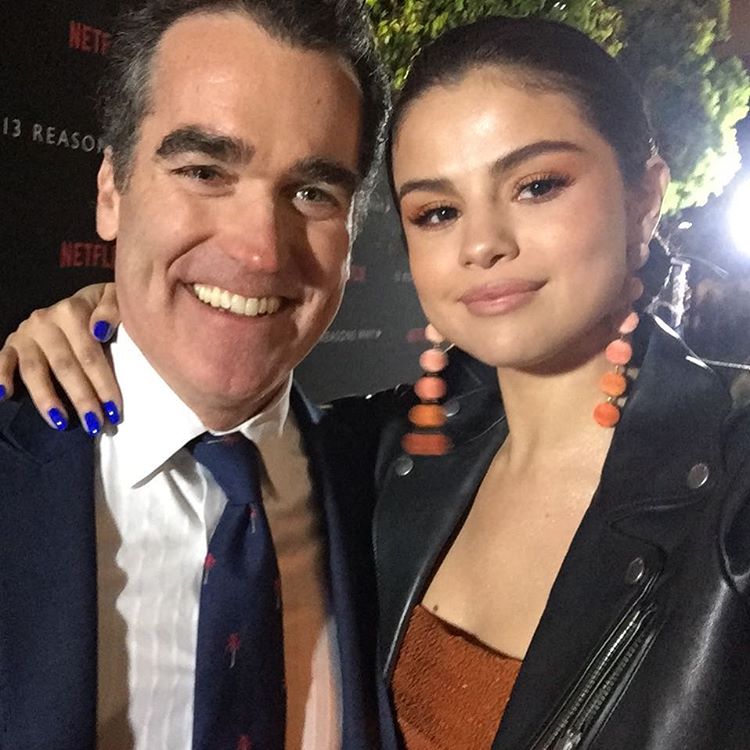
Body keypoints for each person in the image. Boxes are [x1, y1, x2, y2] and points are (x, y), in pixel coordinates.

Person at [5, 14, 750, 750]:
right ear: (111, 190)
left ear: (645, 198)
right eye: (438, 211)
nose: (260, 250)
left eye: (537, 185)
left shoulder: (361, 470)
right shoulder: (397, 459)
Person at [0, 1, 391, 749]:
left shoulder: (395, 487)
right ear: (111, 192)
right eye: (205, 171)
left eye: (312, 192)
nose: (260, 251)